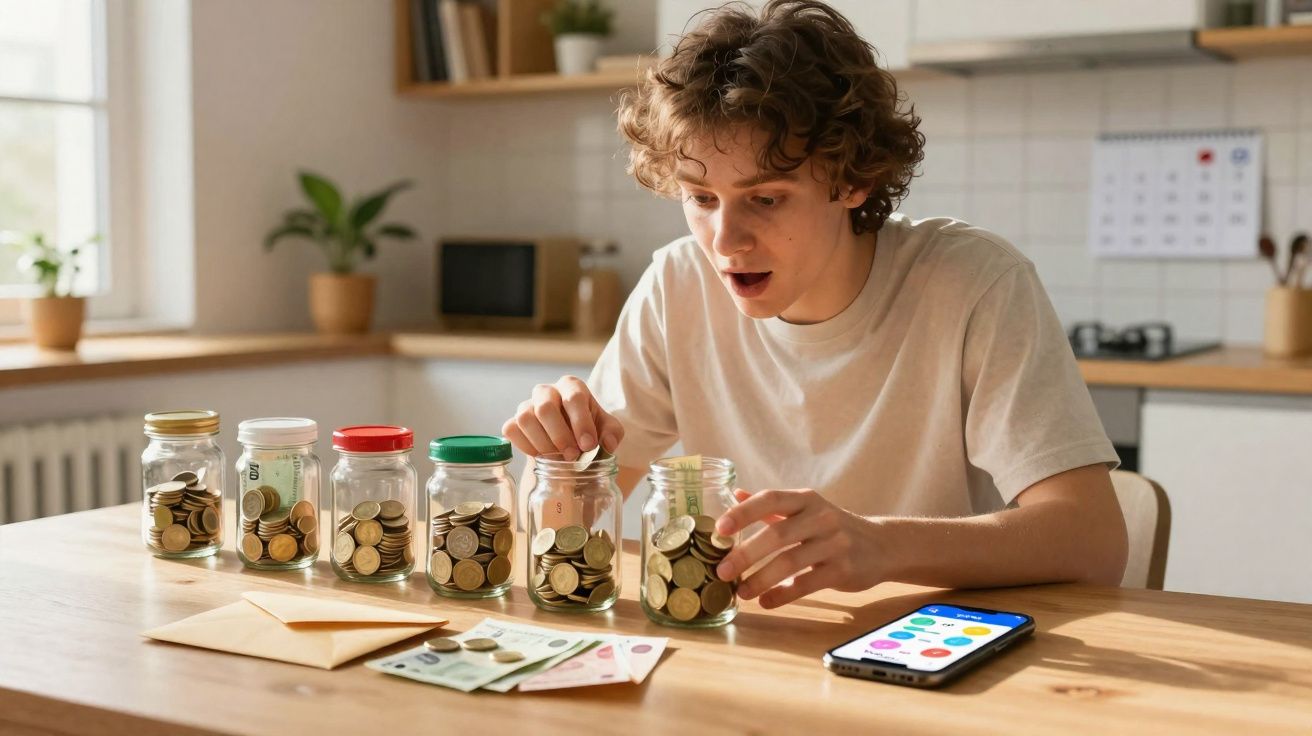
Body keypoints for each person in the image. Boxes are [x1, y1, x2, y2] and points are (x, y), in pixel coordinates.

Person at [503, 0, 1127, 610]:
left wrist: (882, 543)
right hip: (752, 638)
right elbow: (562, 530)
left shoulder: (973, 282)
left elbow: (1093, 541)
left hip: (927, 642)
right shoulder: (676, 285)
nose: (725, 242)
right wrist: (561, 462)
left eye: (766, 199)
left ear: (854, 180)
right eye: (701, 198)